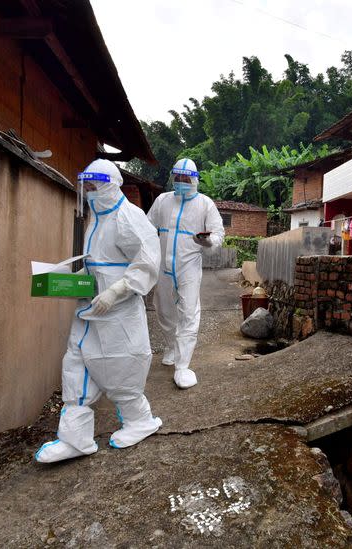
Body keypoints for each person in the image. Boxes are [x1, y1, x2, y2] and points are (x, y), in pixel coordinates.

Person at [35, 159, 162, 463]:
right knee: (76, 366)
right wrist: (70, 283)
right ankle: (74, 439)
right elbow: (96, 263)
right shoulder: (96, 218)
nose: (90, 191)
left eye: (95, 186)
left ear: (111, 185)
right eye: (87, 186)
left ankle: (139, 421)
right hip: (90, 310)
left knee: (120, 367)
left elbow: (147, 262)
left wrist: (116, 290)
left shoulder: (128, 217)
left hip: (118, 313)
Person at [147, 158, 224, 389]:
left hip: (188, 264)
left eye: (186, 178)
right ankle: (171, 345)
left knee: (189, 312)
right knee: (163, 308)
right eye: (177, 178)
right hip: (163, 265)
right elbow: (147, 227)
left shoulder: (205, 204)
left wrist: (208, 240)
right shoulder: (162, 201)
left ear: (194, 180)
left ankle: (183, 366)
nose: (181, 182)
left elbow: (219, 234)